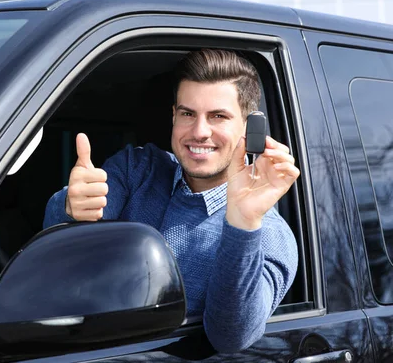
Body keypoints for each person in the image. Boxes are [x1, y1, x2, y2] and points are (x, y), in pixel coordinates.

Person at [43, 49, 299, 353]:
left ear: (249, 128)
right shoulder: (138, 167)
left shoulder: (270, 235)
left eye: (218, 116)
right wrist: (71, 207)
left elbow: (230, 338)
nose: (199, 131)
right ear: (173, 116)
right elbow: (68, 248)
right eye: (188, 114)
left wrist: (242, 222)